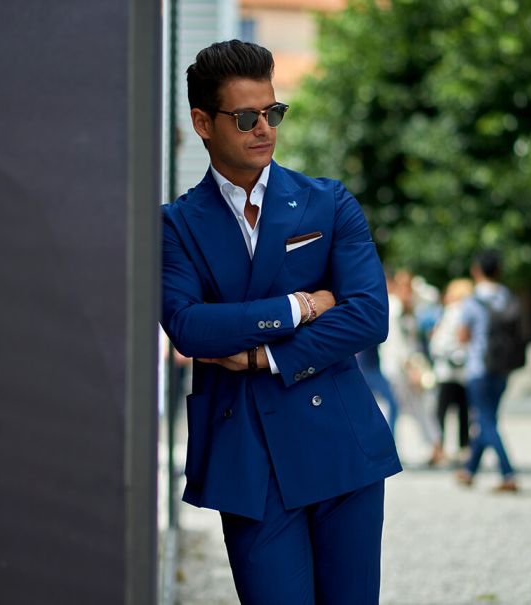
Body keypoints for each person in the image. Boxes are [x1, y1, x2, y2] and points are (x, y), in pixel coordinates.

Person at [160, 40, 402, 604]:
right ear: (203, 122)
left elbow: (369, 316)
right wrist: (300, 306)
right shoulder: (176, 225)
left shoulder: (328, 202)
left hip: (339, 444)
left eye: (273, 112)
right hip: (246, 455)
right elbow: (190, 328)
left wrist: (264, 356)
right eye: (246, 118)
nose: (264, 129)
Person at [455, 251, 518, 492]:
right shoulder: (508, 297)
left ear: (476, 271)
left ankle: (508, 473)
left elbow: (462, 336)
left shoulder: (472, 301)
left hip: (479, 367)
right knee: (487, 419)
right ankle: (469, 470)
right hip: (503, 367)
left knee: (485, 420)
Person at [381, 270, 445, 466]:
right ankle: (394, 448)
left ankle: (434, 446)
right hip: (399, 366)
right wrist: (410, 367)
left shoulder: (410, 306)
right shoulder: (394, 306)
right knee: (400, 407)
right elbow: (396, 342)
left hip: (410, 364)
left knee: (418, 407)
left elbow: (432, 296)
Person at [429, 278, 473, 460]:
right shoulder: (468, 311)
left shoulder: (452, 311)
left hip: (447, 369)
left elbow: (439, 341)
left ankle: (440, 447)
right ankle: (464, 446)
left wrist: (439, 349)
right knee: (463, 410)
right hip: (463, 369)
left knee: (441, 410)